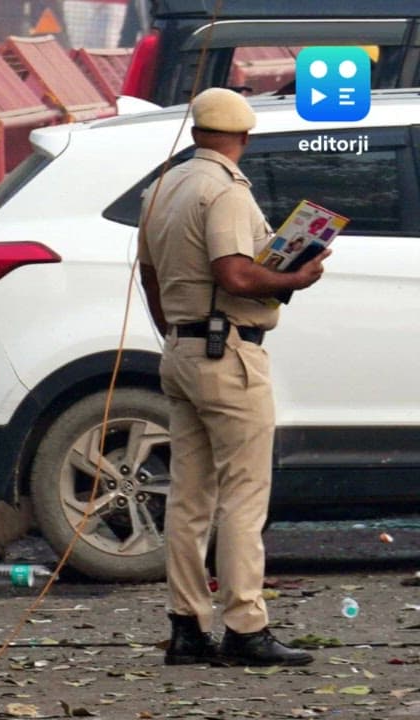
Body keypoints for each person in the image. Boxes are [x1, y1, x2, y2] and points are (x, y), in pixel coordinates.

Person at [137, 88, 330, 668]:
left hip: (182, 351)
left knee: (189, 498)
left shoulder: (162, 187)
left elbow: (150, 277)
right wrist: (296, 278)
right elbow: (237, 276)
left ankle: (188, 627)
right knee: (244, 497)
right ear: (244, 138)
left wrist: (178, 331)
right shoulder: (223, 190)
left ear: (199, 131)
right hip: (229, 355)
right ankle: (246, 627)